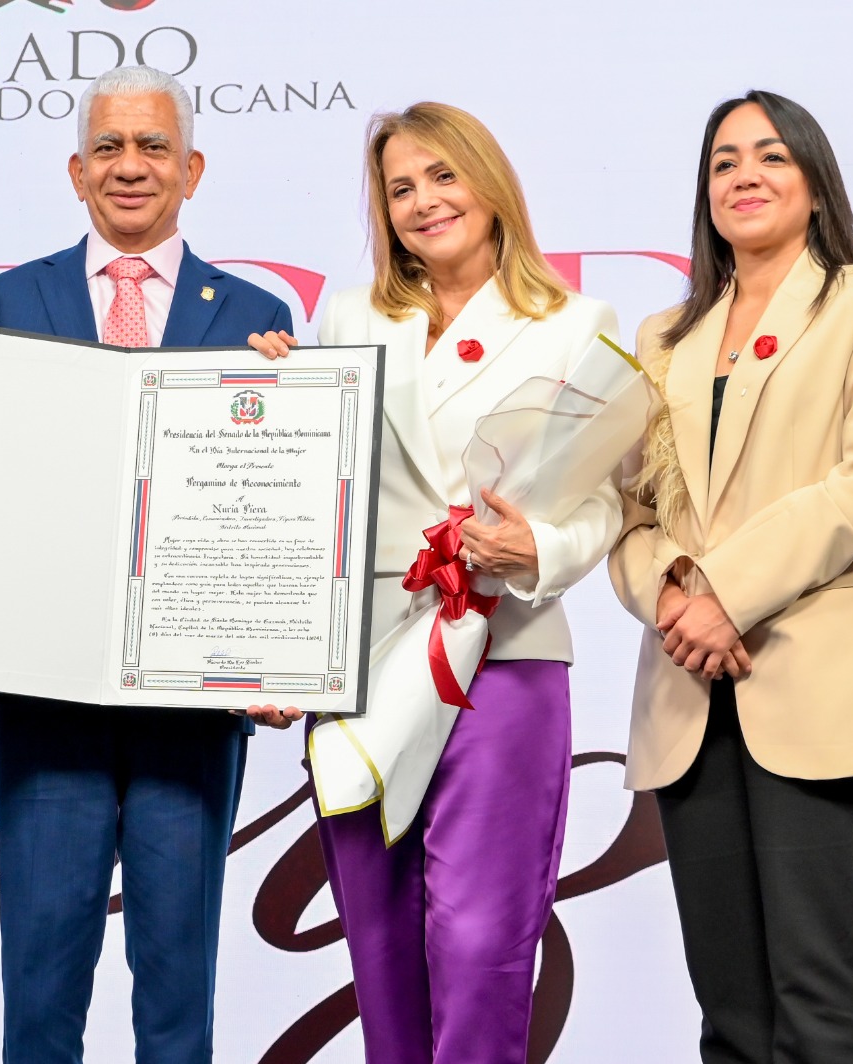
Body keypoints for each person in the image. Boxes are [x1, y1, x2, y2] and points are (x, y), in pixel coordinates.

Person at [248, 101, 622, 1064]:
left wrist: (534, 548)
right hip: (365, 658)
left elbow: (609, 503)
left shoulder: (577, 325)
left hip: (502, 651)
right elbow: (309, 495)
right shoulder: (347, 316)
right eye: (399, 188)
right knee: (379, 940)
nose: (423, 202)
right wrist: (274, 402)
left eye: (443, 177)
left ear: (491, 186)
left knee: (481, 939)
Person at [0, 66, 288, 1064]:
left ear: (192, 167)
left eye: (150, 147)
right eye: (107, 147)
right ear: (74, 170)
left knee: (178, 981)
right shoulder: (10, 297)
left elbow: (273, 509)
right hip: (49, 694)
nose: (129, 167)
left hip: (194, 695)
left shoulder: (257, 315)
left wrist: (273, 656)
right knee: (42, 976)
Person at [607, 89, 853, 1063]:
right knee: (729, 1014)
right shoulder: (660, 338)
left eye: (769, 156)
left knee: (815, 1003)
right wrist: (675, 590)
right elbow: (630, 514)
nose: (743, 176)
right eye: (722, 162)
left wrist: (723, 592)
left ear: (812, 179)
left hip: (815, 678)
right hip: (688, 687)